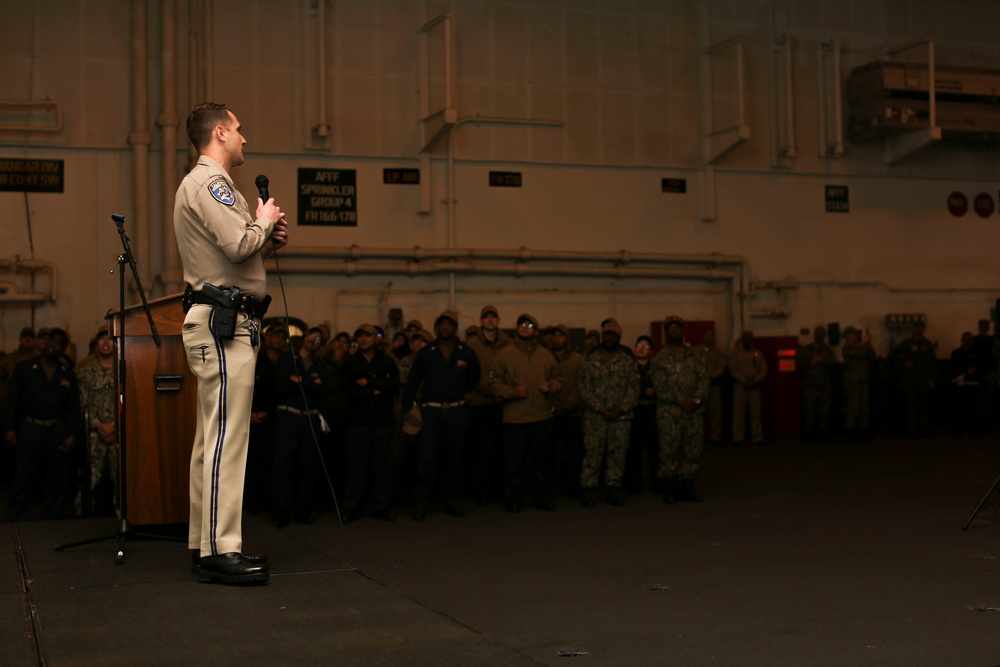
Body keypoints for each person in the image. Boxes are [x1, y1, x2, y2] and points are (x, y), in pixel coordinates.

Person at [174, 102, 288, 584]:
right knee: (226, 438)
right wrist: (263, 220)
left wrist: (264, 236)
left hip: (224, 319)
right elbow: (239, 246)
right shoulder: (210, 183)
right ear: (219, 132)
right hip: (224, 323)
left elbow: (240, 248)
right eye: (239, 130)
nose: (245, 139)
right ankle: (222, 549)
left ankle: (206, 545)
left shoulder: (209, 186)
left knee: (212, 440)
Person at [402, 311, 481, 520]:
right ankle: (422, 499)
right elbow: (413, 381)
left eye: (449, 324)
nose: (445, 327)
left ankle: (453, 499)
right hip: (431, 412)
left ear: (456, 328)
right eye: (441, 324)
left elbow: (475, 375)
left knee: (455, 457)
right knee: (426, 457)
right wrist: (407, 409)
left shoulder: (466, 352)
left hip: (456, 411)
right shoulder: (427, 352)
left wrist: (465, 391)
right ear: (437, 328)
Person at [4, 328, 80, 521]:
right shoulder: (24, 368)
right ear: (44, 343)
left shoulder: (67, 373)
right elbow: (11, 400)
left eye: (59, 342)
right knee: (23, 480)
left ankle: (50, 524)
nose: (53, 344)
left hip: (57, 432)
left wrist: (72, 434)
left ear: (64, 349)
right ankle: (15, 523)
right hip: (30, 430)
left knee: (55, 482)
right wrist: (9, 428)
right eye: (50, 340)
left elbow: (73, 407)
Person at [490, 313, 561, 513]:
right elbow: (494, 383)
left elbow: (558, 379)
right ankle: (512, 498)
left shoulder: (546, 355)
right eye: (522, 324)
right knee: (514, 462)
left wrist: (550, 385)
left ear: (536, 331)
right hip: (515, 417)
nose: (525, 327)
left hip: (540, 416)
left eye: (530, 325)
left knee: (541, 461)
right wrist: (512, 392)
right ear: (516, 328)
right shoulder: (505, 354)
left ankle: (542, 496)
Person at [270, 326, 332, 527]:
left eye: (318, 339)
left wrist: (300, 381)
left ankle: (303, 510)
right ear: (305, 337)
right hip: (288, 417)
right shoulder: (288, 358)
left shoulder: (321, 366)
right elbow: (282, 385)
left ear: (321, 345)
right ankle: (281, 512)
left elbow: (323, 391)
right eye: (311, 335)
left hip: (310, 420)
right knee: (281, 465)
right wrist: (310, 383)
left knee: (309, 466)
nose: (313, 340)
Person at [340, 323, 399, 522]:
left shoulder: (387, 362)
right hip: (358, 422)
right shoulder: (349, 362)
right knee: (355, 467)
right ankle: (351, 507)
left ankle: (381, 506)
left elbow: (392, 386)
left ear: (376, 339)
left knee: (383, 467)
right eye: (360, 335)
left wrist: (369, 382)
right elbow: (348, 389)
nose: (364, 339)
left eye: (368, 335)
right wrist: (374, 390)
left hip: (382, 422)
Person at [578, 320, 640, 507]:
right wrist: (599, 407)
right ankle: (589, 490)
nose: (610, 338)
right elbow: (584, 388)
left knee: (617, 455)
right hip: (595, 418)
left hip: (620, 418)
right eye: (607, 335)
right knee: (593, 454)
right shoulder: (591, 360)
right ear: (602, 337)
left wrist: (622, 408)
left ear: (619, 339)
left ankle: (613, 489)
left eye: (614, 335)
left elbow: (634, 388)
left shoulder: (628, 361)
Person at [651, 316, 709, 503]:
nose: (675, 330)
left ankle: (688, 486)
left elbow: (704, 380)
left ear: (683, 331)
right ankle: (669, 488)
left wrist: (696, 400)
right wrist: (683, 400)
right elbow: (660, 386)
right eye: (671, 328)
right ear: (666, 333)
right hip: (670, 413)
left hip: (693, 412)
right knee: (668, 450)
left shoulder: (695, 356)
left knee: (692, 450)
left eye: (678, 327)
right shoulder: (659, 358)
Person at [466, 305, 511, 505]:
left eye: (493, 317)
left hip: (504, 405)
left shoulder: (509, 344)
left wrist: (502, 392)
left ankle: (500, 491)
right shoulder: (472, 345)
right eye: (486, 317)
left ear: (498, 321)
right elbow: (472, 374)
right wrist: (494, 390)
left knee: (502, 450)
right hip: (482, 404)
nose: (490, 320)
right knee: (482, 451)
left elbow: (512, 372)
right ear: (481, 321)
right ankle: (483, 492)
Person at [75, 329, 118, 516]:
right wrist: (99, 426)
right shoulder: (85, 372)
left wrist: (114, 426)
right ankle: (81, 517)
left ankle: (126, 518)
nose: (106, 342)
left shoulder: (125, 368)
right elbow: (81, 403)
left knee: (123, 481)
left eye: (109, 338)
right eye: (101, 339)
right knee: (88, 480)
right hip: (94, 434)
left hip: (120, 433)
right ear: (96, 343)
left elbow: (132, 400)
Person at [547, 324, 584, 498]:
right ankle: (548, 487)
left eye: (560, 336)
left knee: (573, 453)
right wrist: (552, 406)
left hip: (572, 414)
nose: (557, 339)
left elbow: (581, 386)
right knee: (548, 453)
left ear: (567, 339)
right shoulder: (543, 358)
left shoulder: (578, 360)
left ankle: (574, 486)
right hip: (549, 414)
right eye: (554, 335)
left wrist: (568, 405)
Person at [624, 335, 658, 493]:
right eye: (639, 345)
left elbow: (664, 387)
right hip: (634, 411)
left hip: (653, 411)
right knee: (634, 448)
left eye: (645, 346)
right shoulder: (628, 366)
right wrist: (644, 391)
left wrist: (654, 392)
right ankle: (634, 481)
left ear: (651, 351)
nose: (641, 348)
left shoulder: (657, 367)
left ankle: (656, 481)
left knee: (655, 448)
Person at [890, 320, 936, 437]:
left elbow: (933, 363)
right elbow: (892, 354)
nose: (918, 330)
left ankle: (923, 430)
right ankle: (911, 430)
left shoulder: (927, 344)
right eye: (916, 328)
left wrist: (932, 378)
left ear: (923, 329)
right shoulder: (907, 343)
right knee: (911, 405)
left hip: (924, 378)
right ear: (913, 329)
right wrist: (904, 363)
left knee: (923, 405)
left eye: (920, 328)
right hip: (911, 378)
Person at [798, 326, 836, 441]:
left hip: (824, 385)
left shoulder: (828, 350)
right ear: (814, 335)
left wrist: (821, 359)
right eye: (818, 334)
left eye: (822, 334)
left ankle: (823, 434)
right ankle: (809, 434)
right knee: (810, 411)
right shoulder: (806, 349)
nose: (820, 336)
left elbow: (833, 362)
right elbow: (800, 364)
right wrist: (811, 362)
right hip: (810, 385)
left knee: (824, 411)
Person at [730, 330, 767, 446]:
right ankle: (737, 438)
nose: (747, 339)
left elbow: (764, 369)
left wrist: (755, 380)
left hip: (754, 387)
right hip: (740, 387)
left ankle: (757, 437)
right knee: (738, 414)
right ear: (742, 339)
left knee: (756, 414)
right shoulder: (735, 353)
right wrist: (744, 381)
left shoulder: (757, 353)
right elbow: (732, 369)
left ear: (752, 339)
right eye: (745, 337)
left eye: (749, 337)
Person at [841, 326, 876, 440]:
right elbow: (858, 354)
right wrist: (866, 344)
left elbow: (872, 358)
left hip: (862, 379)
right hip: (852, 380)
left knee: (864, 406)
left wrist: (869, 346)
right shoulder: (847, 348)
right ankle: (850, 431)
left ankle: (863, 429)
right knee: (853, 406)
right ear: (848, 336)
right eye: (854, 334)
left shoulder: (860, 347)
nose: (856, 336)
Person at [697, 327, 728, 446]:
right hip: (699, 387)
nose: (709, 337)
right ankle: (698, 437)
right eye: (706, 334)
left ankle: (716, 437)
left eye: (711, 335)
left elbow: (721, 367)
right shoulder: (695, 351)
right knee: (698, 412)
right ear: (702, 336)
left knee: (716, 412)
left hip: (714, 385)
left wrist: (712, 376)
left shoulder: (717, 352)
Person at [949, 332, 980, 435]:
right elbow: (953, 366)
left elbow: (980, 366)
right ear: (962, 340)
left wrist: (973, 370)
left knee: (972, 408)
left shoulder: (976, 353)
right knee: (959, 407)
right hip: (959, 384)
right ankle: (958, 430)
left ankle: (973, 429)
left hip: (972, 384)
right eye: (965, 339)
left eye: (969, 339)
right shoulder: (956, 352)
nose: (967, 341)